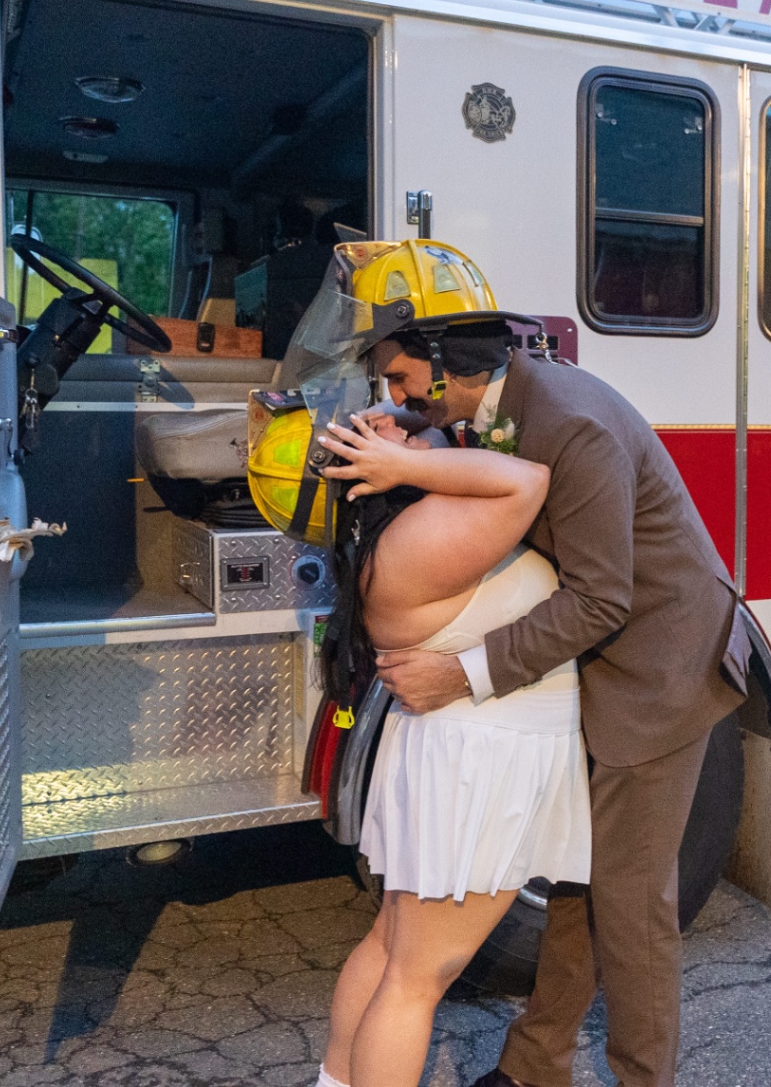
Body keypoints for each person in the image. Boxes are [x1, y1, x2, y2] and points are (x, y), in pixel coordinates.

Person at [366, 320, 750, 1087]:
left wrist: (463, 674)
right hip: (598, 671)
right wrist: (417, 434)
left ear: (449, 368)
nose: (394, 396)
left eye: (403, 380)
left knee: (632, 908)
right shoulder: (498, 400)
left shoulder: (572, 425)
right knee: (577, 882)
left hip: (658, 672)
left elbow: (602, 600)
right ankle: (536, 1066)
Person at [312, 413, 590, 1087]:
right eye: (373, 430)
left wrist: (408, 454)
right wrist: (404, 462)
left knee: (393, 950)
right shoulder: (421, 537)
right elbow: (527, 480)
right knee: (417, 978)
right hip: (481, 768)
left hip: (459, 758)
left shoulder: (401, 537)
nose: (402, 426)